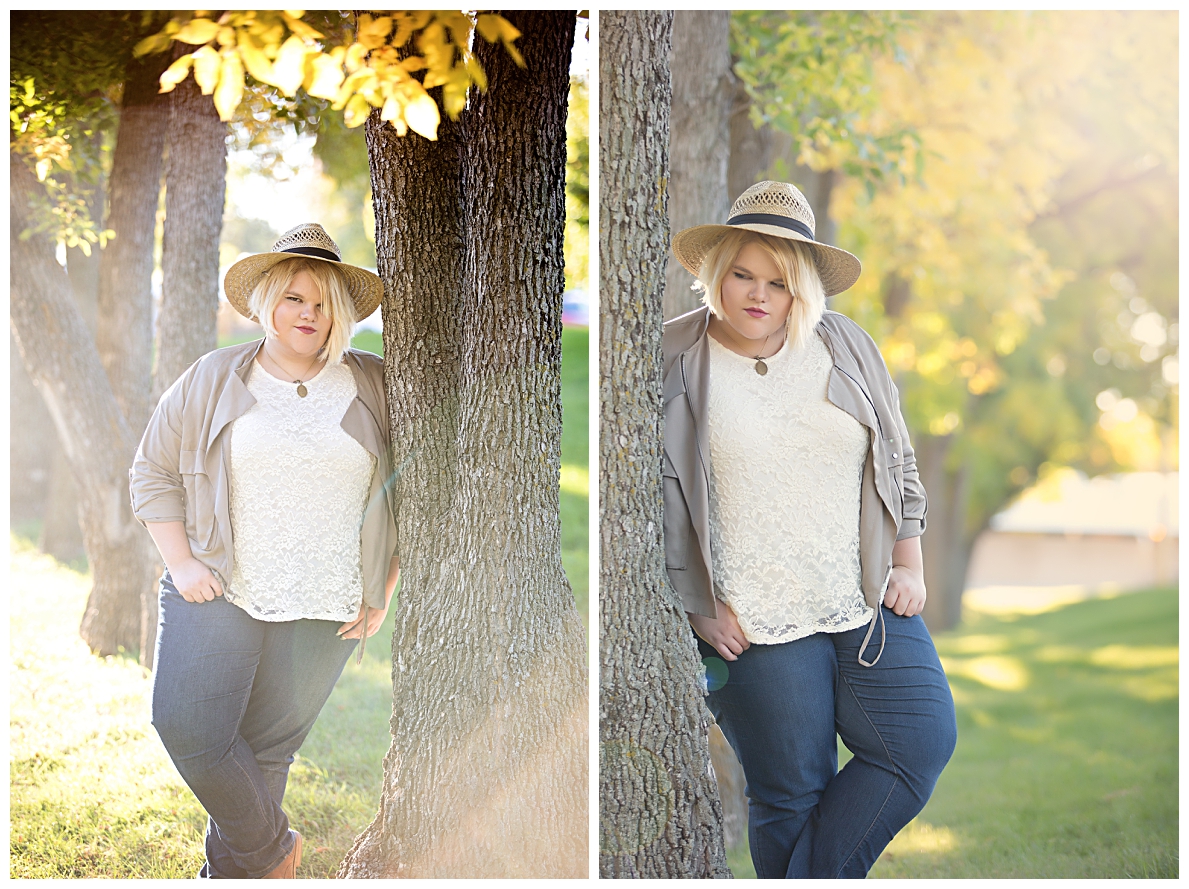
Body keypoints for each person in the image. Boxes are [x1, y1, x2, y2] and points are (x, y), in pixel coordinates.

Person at [663, 181, 957, 878]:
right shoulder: (671, 357)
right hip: (751, 619)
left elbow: (896, 460)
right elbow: (648, 498)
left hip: (862, 599)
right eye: (742, 274)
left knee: (917, 742)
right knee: (789, 795)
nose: (758, 295)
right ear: (716, 272)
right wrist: (696, 605)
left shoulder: (846, 344)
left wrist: (910, 565)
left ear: (803, 291)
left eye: (779, 282)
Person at [130, 223, 400, 879]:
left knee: (265, 750)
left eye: (321, 302)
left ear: (340, 311)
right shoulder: (216, 374)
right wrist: (182, 562)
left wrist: (381, 592)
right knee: (188, 729)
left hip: (327, 599)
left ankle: (234, 875)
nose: (307, 313)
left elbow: (407, 496)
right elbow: (152, 470)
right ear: (266, 303)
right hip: (219, 583)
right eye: (292, 298)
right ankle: (275, 849)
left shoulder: (375, 383)